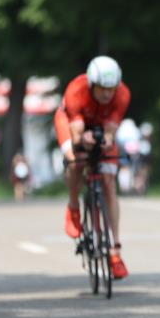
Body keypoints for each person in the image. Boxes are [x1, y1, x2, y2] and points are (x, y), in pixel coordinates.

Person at [54, 56, 131, 279]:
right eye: (101, 89)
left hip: (100, 125)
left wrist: (107, 139)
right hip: (73, 122)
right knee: (74, 160)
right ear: (91, 85)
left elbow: (111, 129)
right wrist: (81, 140)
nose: (107, 94)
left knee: (108, 180)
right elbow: (76, 132)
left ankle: (115, 251)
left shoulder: (122, 95)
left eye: (111, 89)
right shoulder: (76, 91)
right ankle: (73, 207)